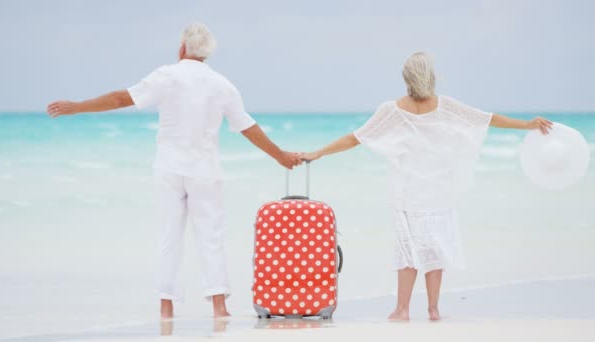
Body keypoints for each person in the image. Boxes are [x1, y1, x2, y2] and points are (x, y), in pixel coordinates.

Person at [46, 23, 302, 319]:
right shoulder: (222, 84)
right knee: (211, 236)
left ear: (182, 47)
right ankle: (219, 307)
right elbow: (246, 126)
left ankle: (166, 307)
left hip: (169, 168)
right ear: (207, 53)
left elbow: (120, 99)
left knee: (169, 236)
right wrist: (279, 156)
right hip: (206, 171)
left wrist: (77, 107)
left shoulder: (166, 76)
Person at [301, 52, 552, 321]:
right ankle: (433, 309)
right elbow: (487, 119)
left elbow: (355, 138)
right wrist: (527, 125)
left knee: (407, 249)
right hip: (439, 191)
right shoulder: (446, 106)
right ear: (432, 77)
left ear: (406, 78)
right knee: (435, 248)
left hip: (406, 191)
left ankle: (402, 309)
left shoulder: (392, 110)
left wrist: (318, 153)